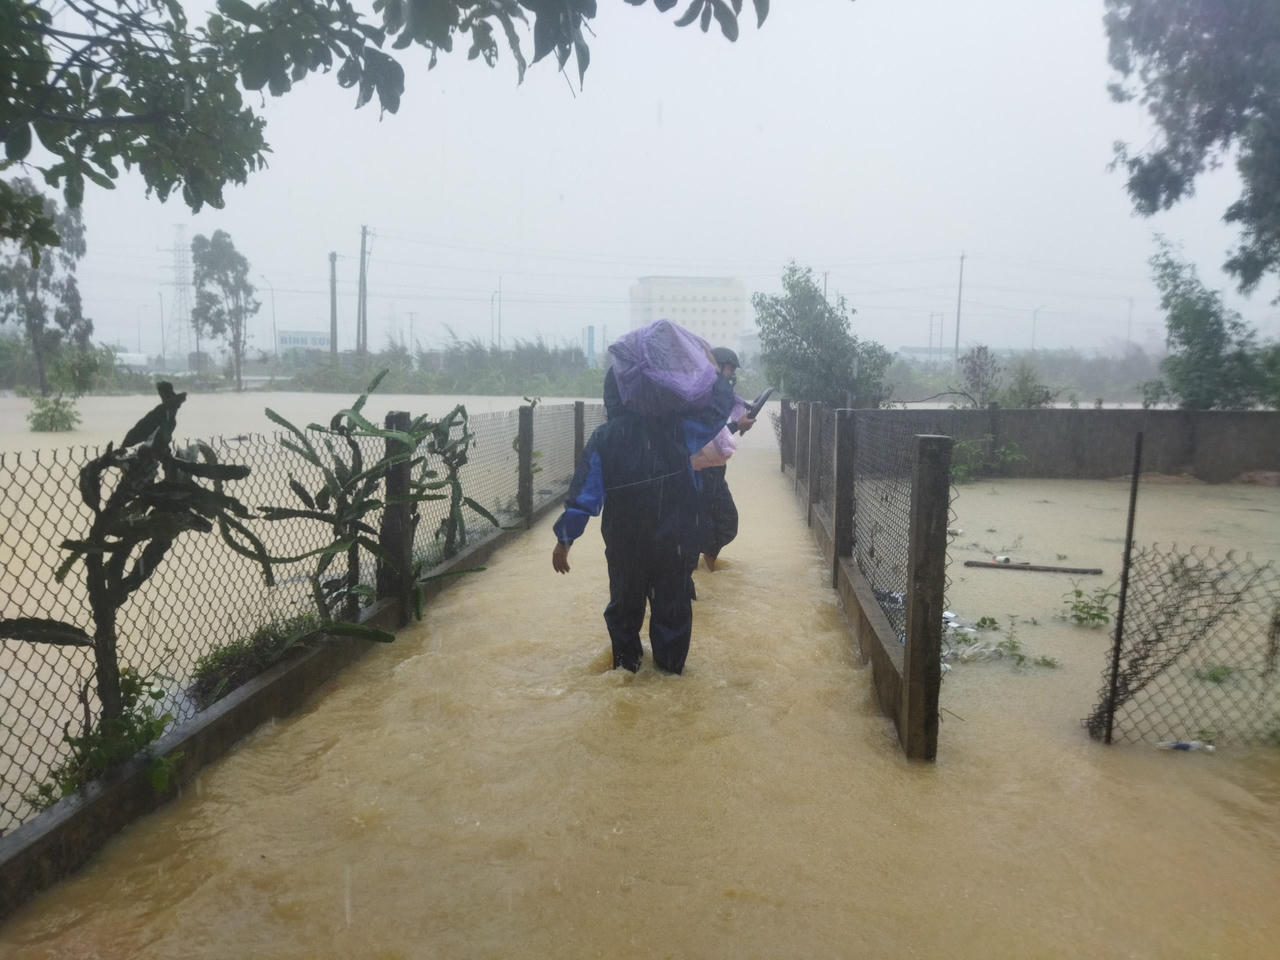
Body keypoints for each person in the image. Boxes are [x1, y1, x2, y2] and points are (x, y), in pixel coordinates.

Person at [551, 368, 732, 674]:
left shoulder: (605, 438)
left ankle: (627, 670)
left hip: (626, 544)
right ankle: (670, 676)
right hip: (673, 543)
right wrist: (714, 372)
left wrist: (564, 541)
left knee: (625, 611)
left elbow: (585, 495)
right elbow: (718, 410)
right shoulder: (678, 429)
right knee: (672, 612)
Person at [695, 347, 756, 572]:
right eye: (728, 368)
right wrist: (736, 426)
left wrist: (738, 424)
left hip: (715, 472)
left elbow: (719, 432)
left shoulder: (723, 398)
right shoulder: (701, 395)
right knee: (696, 527)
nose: (730, 374)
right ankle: (695, 575)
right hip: (698, 473)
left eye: (731, 370)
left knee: (727, 523)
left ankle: (707, 567)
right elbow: (705, 432)